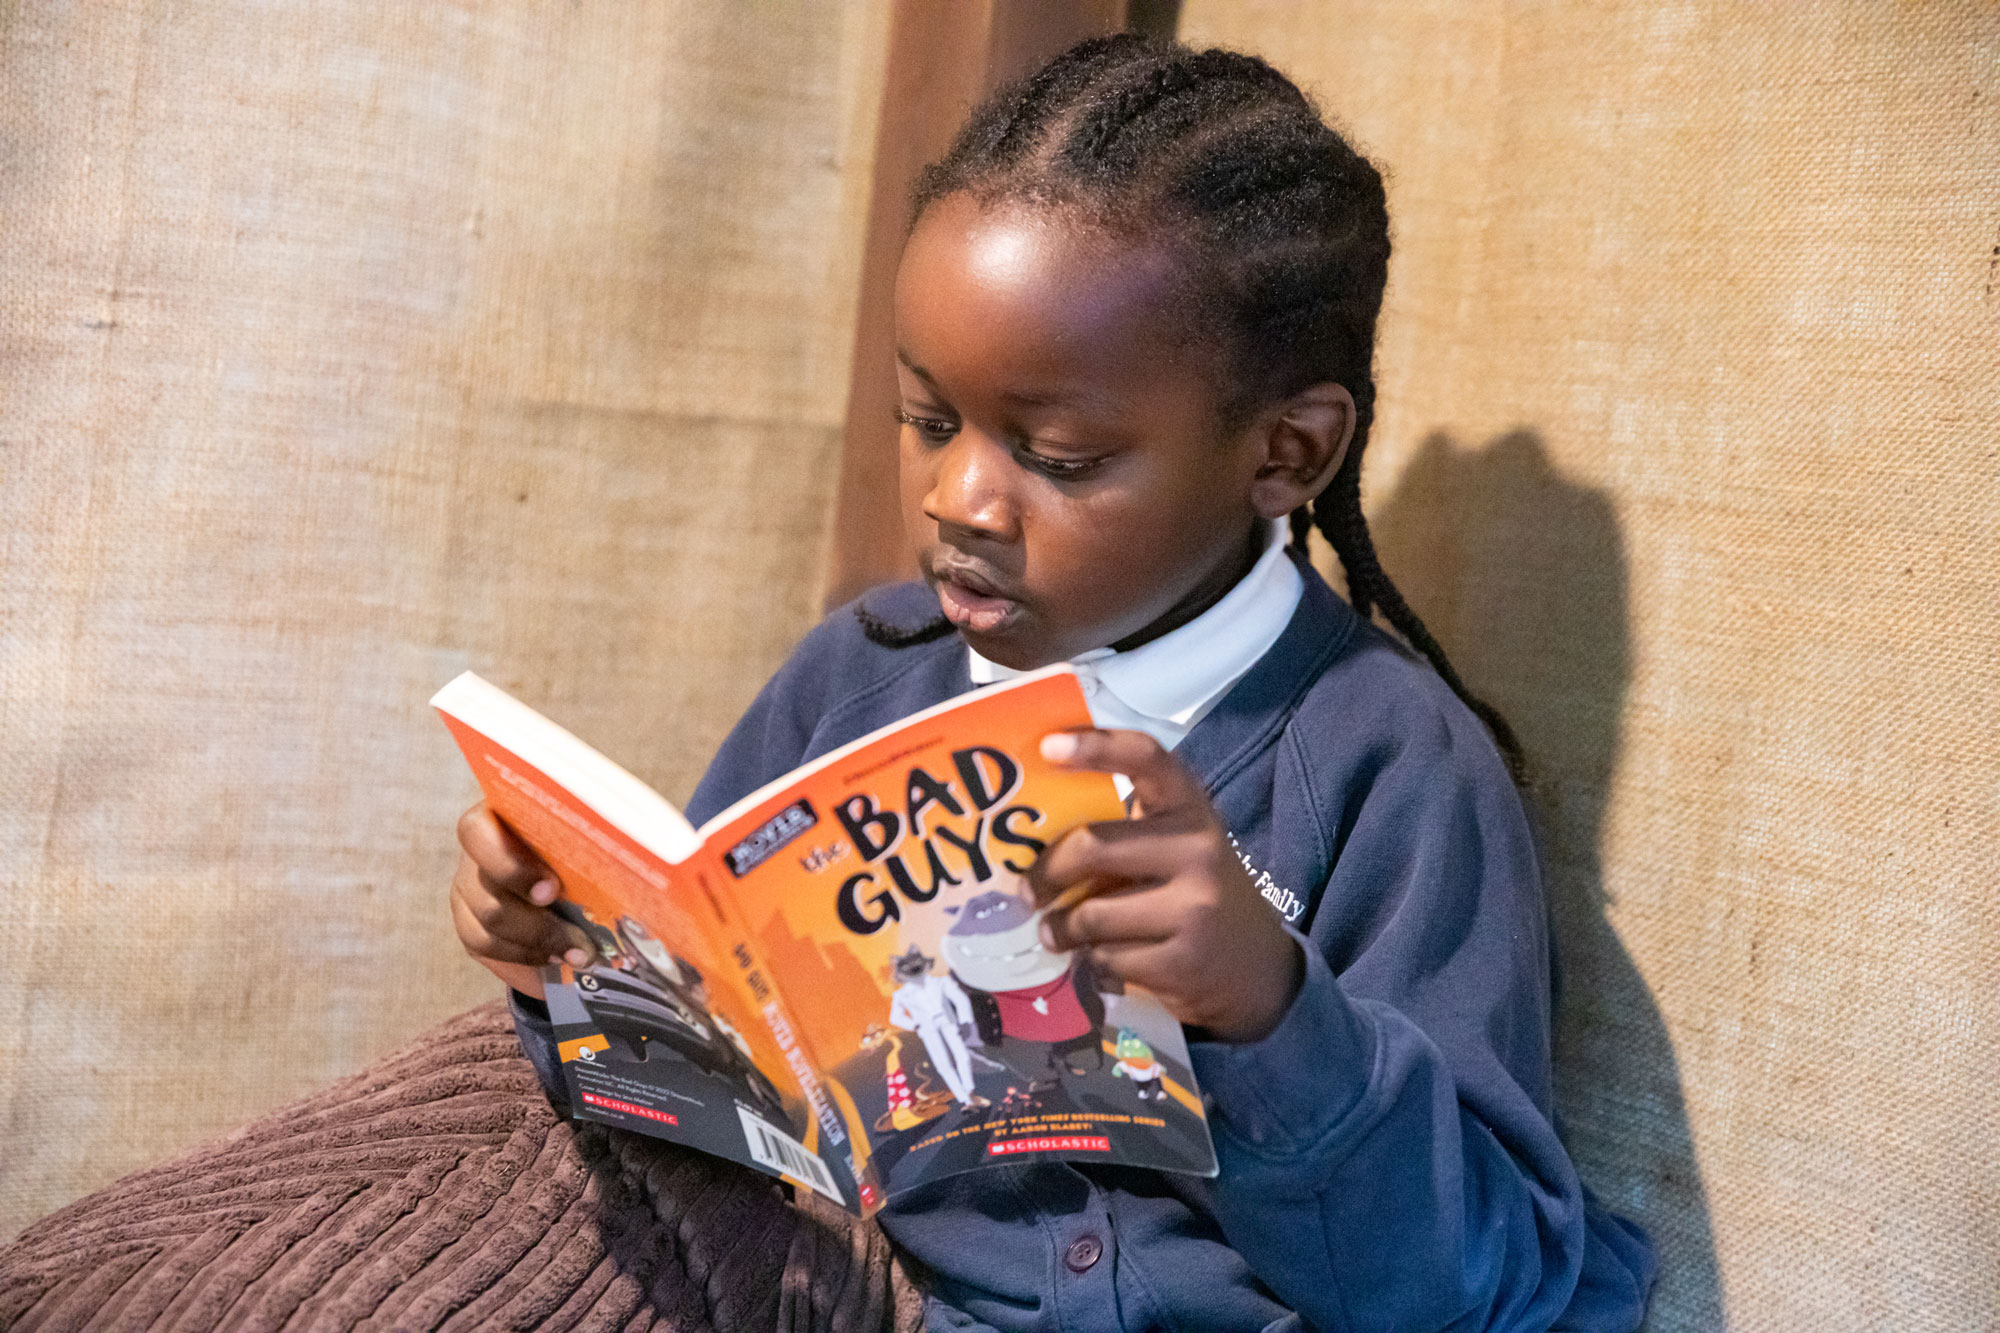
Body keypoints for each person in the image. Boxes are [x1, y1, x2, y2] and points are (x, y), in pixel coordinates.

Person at [448, 34, 1656, 1332]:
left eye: (1058, 455)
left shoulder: (1389, 768)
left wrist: (1269, 1008)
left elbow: (1482, 1277)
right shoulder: (858, 678)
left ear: (1286, 452)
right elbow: (726, 1094)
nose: (958, 496)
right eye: (930, 420)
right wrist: (570, 960)